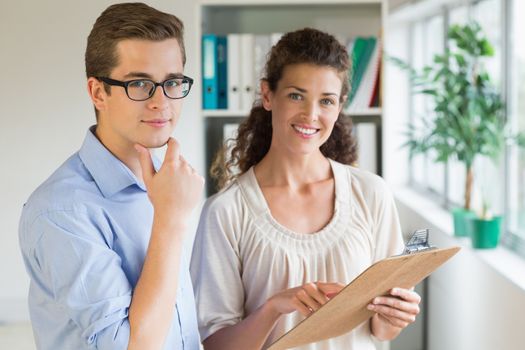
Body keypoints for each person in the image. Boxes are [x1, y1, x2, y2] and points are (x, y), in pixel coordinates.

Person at [190, 28, 421, 350]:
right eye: (296, 95)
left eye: (326, 101)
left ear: (340, 106)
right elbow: (216, 346)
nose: (311, 115)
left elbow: (380, 332)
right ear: (268, 95)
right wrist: (274, 307)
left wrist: (394, 315)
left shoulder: (371, 193)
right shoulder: (226, 211)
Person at [18, 3, 204, 349]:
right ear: (98, 92)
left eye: (172, 82)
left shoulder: (166, 187)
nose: (161, 102)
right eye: (139, 84)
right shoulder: (61, 212)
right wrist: (171, 220)